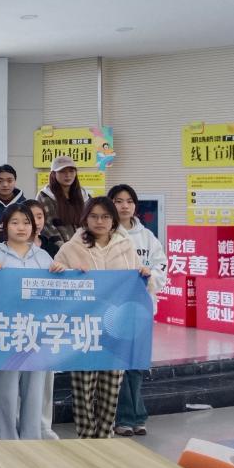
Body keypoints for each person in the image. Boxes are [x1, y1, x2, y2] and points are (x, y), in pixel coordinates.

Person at [54, 196, 153, 439]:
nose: (100, 221)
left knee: (111, 388)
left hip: (116, 330)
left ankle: (105, 437)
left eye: (106, 216)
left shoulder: (126, 246)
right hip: (83, 329)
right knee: (84, 389)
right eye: (94, 216)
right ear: (85, 219)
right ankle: (86, 437)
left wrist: (143, 275)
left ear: (113, 220)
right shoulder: (70, 248)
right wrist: (62, 272)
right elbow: (55, 288)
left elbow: (139, 290)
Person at [0, 205, 66, 440]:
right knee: (6, 393)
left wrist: (61, 272)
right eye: (15, 222)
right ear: (5, 226)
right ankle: (7, 439)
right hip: (5, 333)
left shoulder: (43, 257)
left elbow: (57, 293)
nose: (21, 227)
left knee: (34, 392)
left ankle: (31, 439)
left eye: (26, 222)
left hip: (36, 334)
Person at [108, 184, 167, 437]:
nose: (124, 206)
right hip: (113, 310)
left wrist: (148, 274)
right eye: (118, 201)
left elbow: (161, 266)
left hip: (141, 308)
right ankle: (125, 417)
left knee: (137, 363)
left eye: (129, 201)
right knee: (119, 364)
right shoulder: (106, 233)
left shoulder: (147, 236)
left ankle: (135, 416)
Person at [22, 197, 62, 438]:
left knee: (46, 376)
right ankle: (21, 422)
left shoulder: (53, 249)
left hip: (45, 322)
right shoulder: (4, 248)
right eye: (28, 217)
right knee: (18, 376)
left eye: (38, 217)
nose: (34, 222)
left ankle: (44, 425)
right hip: (17, 322)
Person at [37, 156, 89, 250]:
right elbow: (47, 226)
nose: (68, 175)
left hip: (84, 249)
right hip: (58, 251)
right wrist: (64, 248)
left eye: (71, 171)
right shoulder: (45, 196)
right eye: (62, 171)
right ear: (53, 174)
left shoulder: (84, 195)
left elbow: (89, 223)